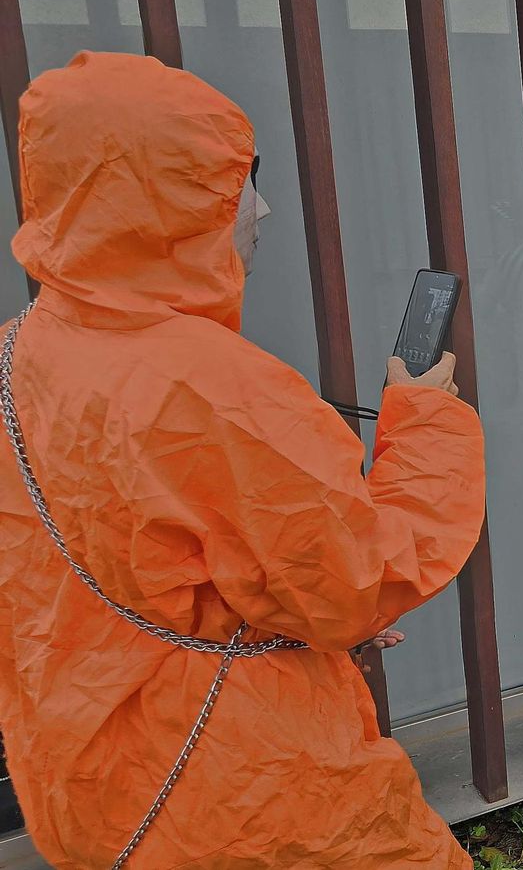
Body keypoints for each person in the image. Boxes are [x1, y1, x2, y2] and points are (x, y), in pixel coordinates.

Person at [0, 52, 485, 868]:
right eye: (230, 181)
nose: (259, 208)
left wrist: (272, 617)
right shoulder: (217, 387)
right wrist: (426, 418)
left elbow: (123, 557)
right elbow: (356, 579)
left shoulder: (18, 356)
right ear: (157, 203)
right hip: (246, 794)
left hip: (89, 777)